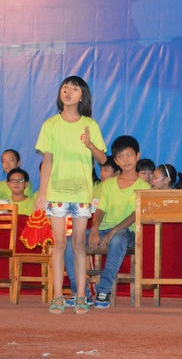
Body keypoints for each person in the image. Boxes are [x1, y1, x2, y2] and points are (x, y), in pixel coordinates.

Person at [35, 76, 107, 315]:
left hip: (81, 193)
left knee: (78, 243)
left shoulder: (90, 125)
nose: (68, 92)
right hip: (56, 191)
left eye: (74, 89)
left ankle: (81, 296)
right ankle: (57, 296)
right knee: (58, 243)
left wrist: (90, 145)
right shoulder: (50, 125)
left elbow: (103, 159)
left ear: (82, 96)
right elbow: (47, 161)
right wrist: (42, 193)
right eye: (65, 88)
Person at [65, 135, 151, 309]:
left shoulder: (144, 186)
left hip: (127, 232)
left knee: (118, 239)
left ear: (138, 156)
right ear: (116, 161)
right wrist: (94, 228)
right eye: (120, 156)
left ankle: (103, 290)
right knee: (69, 241)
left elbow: (136, 215)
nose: (125, 160)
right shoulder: (108, 184)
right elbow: (100, 210)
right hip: (103, 230)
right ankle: (81, 293)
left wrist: (114, 230)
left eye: (129, 155)